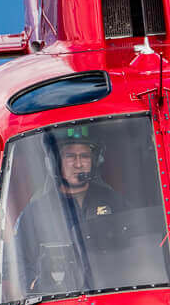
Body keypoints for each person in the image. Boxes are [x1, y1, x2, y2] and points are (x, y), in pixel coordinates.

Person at [12, 124, 124, 293]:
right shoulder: (35, 213)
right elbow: (20, 269)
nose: (79, 164)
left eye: (85, 156)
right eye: (70, 156)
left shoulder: (114, 202)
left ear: (95, 160)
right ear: (55, 161)